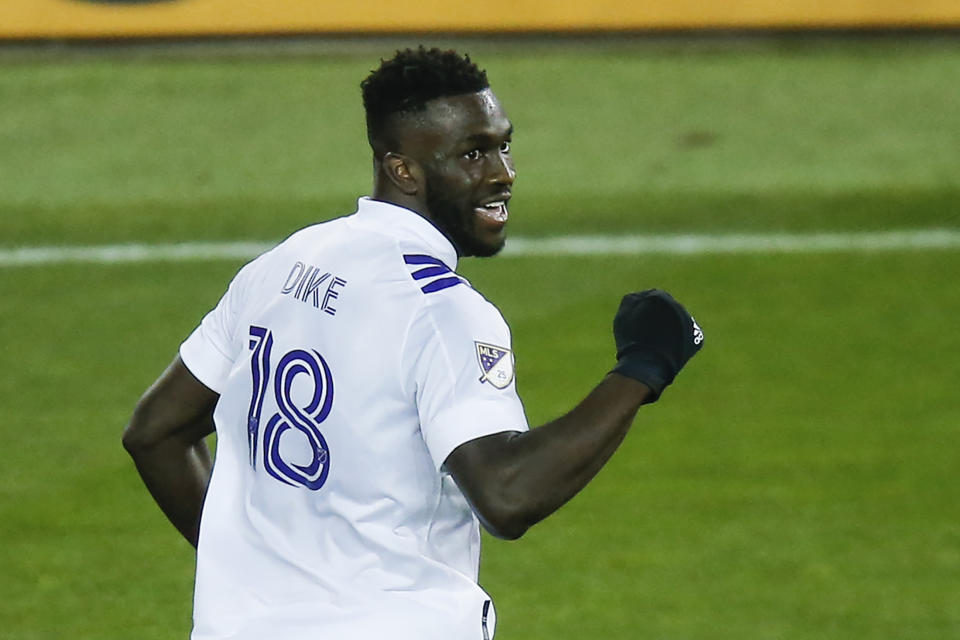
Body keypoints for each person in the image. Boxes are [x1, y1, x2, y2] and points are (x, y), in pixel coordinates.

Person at [123, 47, 704, 640]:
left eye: (504, 145)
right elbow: (507, 493)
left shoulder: (284, 264)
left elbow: (156, 432)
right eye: (473, 153)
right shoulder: (442, 310)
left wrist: (255, 569)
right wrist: (643, 366)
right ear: (403, 170)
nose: (502, 172)